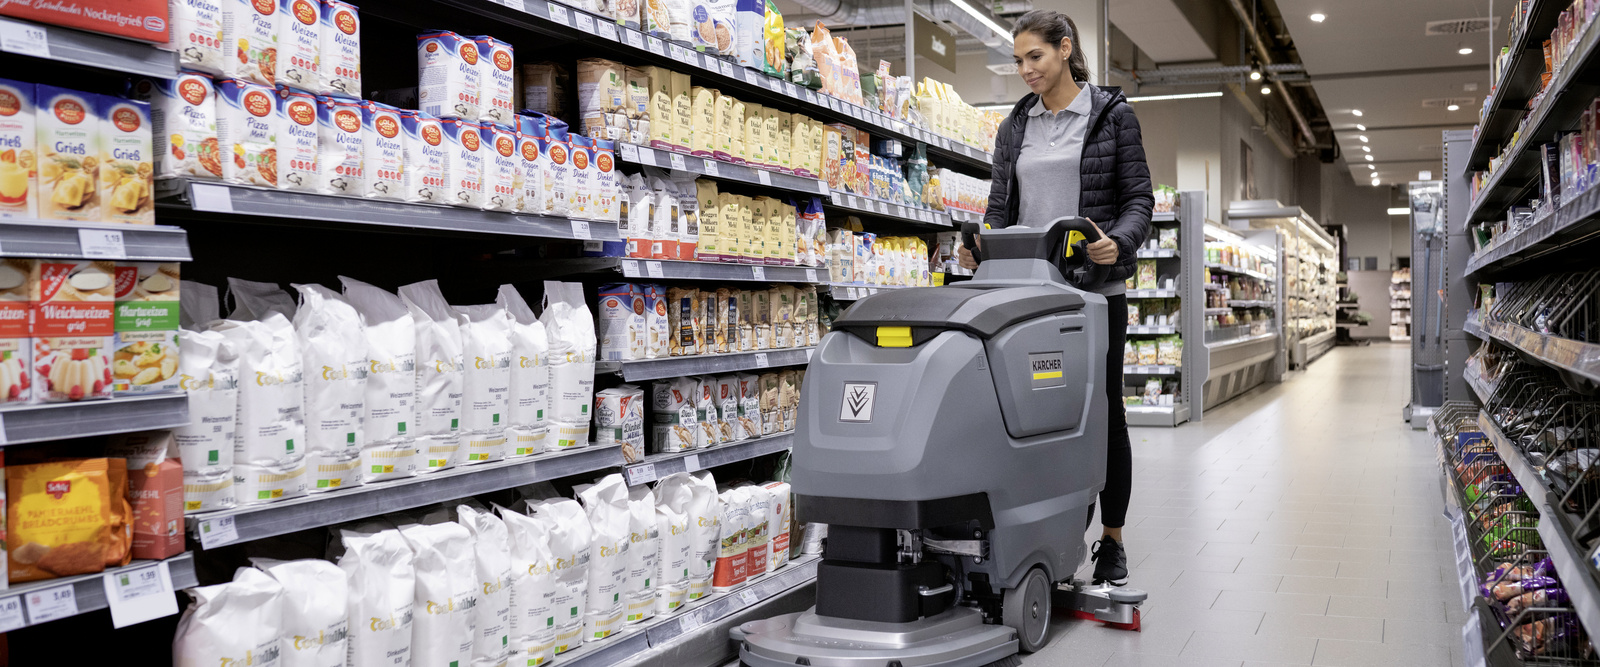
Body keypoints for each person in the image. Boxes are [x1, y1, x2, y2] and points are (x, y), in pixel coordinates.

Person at [959, 8, 1153, 586]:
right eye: (1017, 60)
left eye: (1034, 57)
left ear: (1065, 49)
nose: (1025, 69)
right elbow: (999, 211)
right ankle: (1049, 529)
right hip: (1029, 298)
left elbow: (1138, 201)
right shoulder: (1014, 126)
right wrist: (981, 247)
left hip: (1095, 293)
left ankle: (1110, 541)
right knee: (1035, 415)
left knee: (1103, 414)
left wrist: (1116, 244)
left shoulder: (1113, 117)